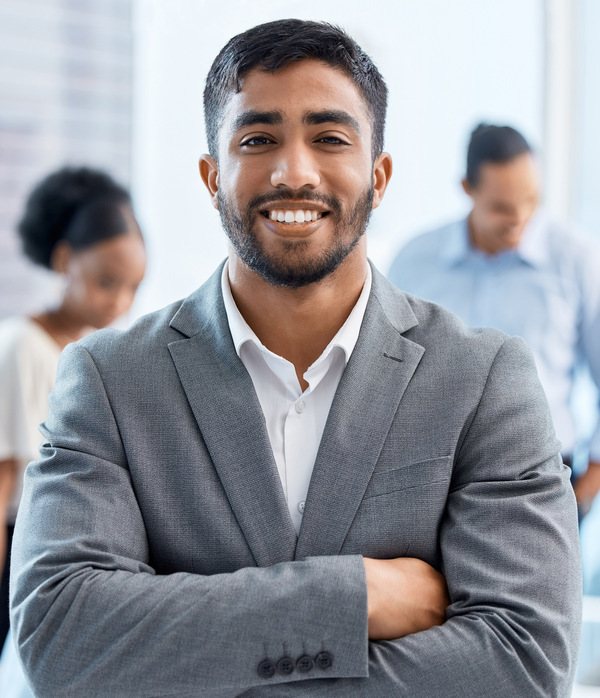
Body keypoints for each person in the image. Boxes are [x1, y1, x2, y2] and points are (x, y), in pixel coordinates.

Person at [10, 20, 580, 697]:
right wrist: (356, 596)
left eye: (330, 138)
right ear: (212, 176)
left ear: (380, 174)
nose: (294, 172)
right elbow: (63, 641)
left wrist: (187, 660)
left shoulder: (485, 380)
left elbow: (525, 661)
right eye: (258, 140)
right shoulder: (108, 380)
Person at [388, 123, 600, 517]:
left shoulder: (578, 260)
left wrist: (586, 489)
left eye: (531, 200)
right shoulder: (414, 261)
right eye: (502, 207)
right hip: (435, 477)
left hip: (545, 478)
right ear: (468, 188)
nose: (520, 219)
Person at [0, 166, 146, 652]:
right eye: (107, 282)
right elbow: (3, 485)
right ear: (64, 260)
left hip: (74, 548)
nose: (120, 304)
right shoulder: (22, 345)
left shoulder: (95, 354)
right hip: (21, 547)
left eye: (133, 288)